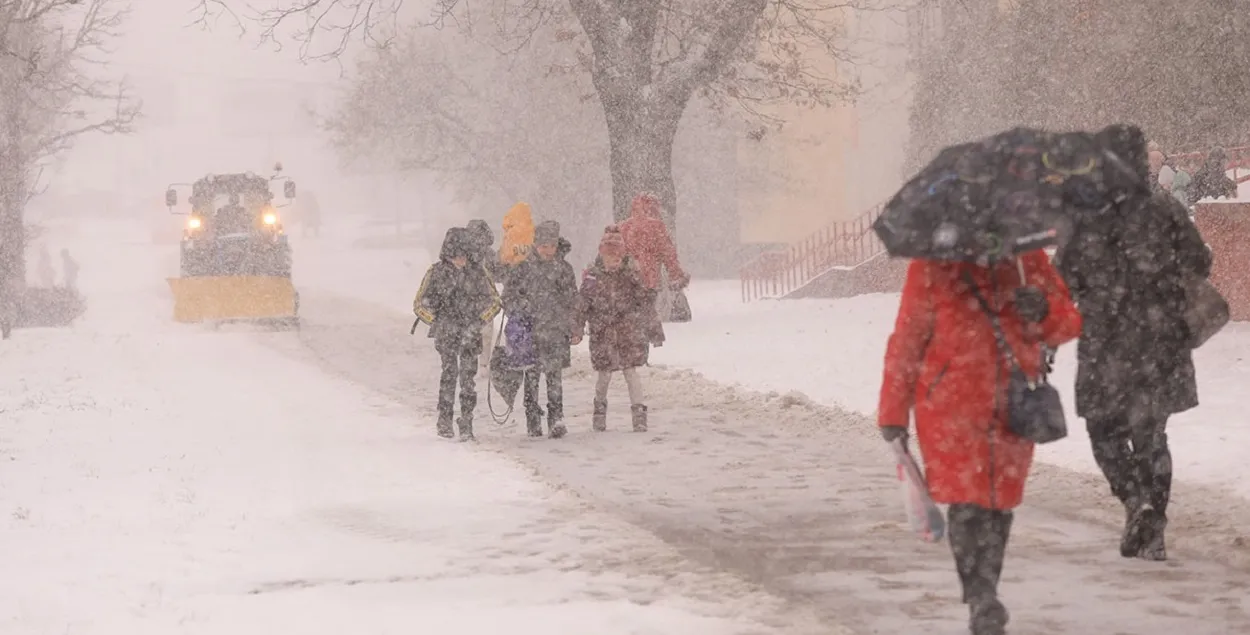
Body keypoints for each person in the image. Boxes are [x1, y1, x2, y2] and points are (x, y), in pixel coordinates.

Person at [878, 252, 1082, 635]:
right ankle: (980, 596)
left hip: (1013, 403)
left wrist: (1042, 311)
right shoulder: (932, 262)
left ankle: (984, 587)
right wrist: (892, 411)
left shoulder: (1026, 260)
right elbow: (907, 337)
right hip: (949, 404)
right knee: (966, 502)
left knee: (999, 504)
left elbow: (1067, 322)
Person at [1058, 124, 1213, 561]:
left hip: (1106, 346)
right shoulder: (1166, 210)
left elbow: (1061, 279)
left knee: (1103, 433)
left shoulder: (1085, 219)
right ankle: (1154, 528)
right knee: (1153, 435)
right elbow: (1200, 259)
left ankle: (1135, 502)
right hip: (1162, 341)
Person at [413, 227, 502, 441]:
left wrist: (479, 321)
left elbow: (495, 302)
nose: (460, 260)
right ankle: (445, 418)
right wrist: (438, 322)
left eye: (463, 255)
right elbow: (419, 304)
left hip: (471, 334)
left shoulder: (479, 272)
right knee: (449, 375)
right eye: (456, 255)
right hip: (447, 335)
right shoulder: (435, 272)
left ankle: (467, 419)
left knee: (468, 378)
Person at [574, 226, 660, 433]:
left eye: (618, 256)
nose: (615, 260)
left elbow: (645, 303)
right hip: (602, 333)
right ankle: (599, 410)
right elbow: (582, 305)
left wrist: (654, 329)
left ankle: (639, 413)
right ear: (602, 255)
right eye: (610, 256)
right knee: (604, 375)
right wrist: (576, 328)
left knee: (631, 372)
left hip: (628, 332)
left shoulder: (631, 276)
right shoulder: (593, 278)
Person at [502, 220, 577, 438]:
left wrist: (573, 325)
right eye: (543, 245)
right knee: (531, 378)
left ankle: (556, 418)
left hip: (556, 331)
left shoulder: (564, 269)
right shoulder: (522, 268)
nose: (547, 250)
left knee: (554, 377)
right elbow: (507, 297)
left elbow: (573, 299)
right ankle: (532, 418)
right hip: (529, 333)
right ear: (535, 244)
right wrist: (523, 309)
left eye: (551, 245)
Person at [618, 193, 689, 322]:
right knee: (650, 310)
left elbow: (616, 253)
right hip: (651, 277)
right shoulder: (657, 226)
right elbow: (668, 255)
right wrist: (676, 275)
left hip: (628, 279)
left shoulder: (623, 227)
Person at [465, 219, 504, 373]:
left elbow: (499, 273)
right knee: (477, 331)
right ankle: (476, 360)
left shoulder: (489, 254)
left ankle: (482, 362)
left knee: (485, 331)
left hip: (484, 299)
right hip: (469, 299)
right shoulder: (465, 254)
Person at [499, 202, 535, 267]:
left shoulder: (511, 232)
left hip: (512, 268)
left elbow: (506, 256)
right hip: (527, 268)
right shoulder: (532, 232)